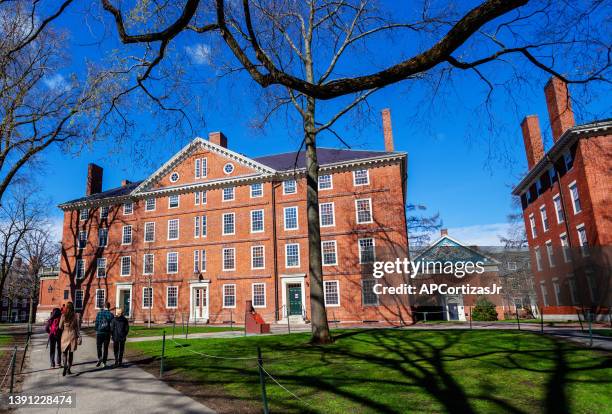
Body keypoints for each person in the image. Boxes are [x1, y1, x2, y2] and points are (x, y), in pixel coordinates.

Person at [59, 302, 81, 376]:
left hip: (65, 334)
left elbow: (60, 327)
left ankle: (64, 365)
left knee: (64, 353)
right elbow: (77, 328)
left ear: (67, 308)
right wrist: (79, 335)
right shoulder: (75, 316)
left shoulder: (63, 315)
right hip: (72, 335)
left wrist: (64, 327)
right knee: (71, 353)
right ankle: (68, 368)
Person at [95, 302, 114, 367]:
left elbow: (96, 323)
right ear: (109, 307)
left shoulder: (99, 313)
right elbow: (112, 325)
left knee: (99, 346)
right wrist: (111, 333)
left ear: (104, 306)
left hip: (99, 332)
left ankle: (99, 357)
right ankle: (104, 362)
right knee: (105, 348)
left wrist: (96, 330)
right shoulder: (111, 314)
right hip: (107, 333)